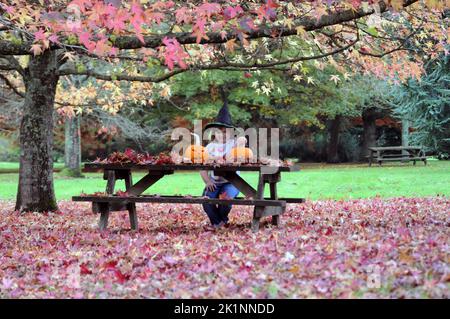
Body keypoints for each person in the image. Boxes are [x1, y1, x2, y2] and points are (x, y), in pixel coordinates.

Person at [200, 100, 240, 229]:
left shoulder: (233, 144)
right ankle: (218, 222)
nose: (222, 134)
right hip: (214, 183)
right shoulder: (210, 147)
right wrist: (207, 181)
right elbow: (202, 168)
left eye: (225, 131)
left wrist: (241, 140)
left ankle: (220, 221)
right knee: (206, 199)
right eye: (219, 131)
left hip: (232, 182)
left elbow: (241, 145)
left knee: (226, 200)